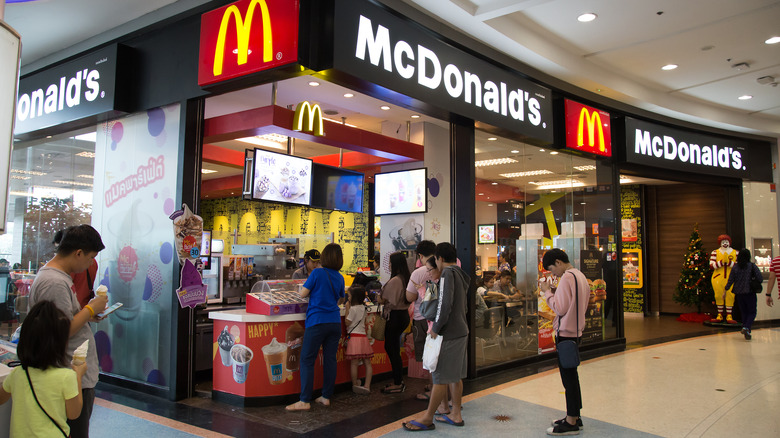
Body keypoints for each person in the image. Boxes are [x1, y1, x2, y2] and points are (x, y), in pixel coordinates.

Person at [27, 224, 107, 438]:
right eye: (90, 258)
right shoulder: (55, 282)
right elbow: (62, 330)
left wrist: (88, 314)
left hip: (73, 370)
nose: (92, 264)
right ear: (78, 253)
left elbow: (65, 318)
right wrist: (91, 308)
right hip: (70, 371)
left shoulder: (59, 278)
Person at [403, 242, 469, 431]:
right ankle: (455, 414)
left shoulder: (447, 274)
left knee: (439, 376)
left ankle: (427, 418)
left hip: (448, 332)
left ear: (439, 259)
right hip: (461, 330)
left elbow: (443, 306)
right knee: (455, 376)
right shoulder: (460, 273)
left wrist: (436, 328)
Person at [0, 300, 88, 437]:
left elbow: (0, 398)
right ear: (59, 345)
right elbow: (74, 413)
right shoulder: (66, 376)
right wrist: (78, 375)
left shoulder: (18, 373)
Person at [286, 243, 345, 411]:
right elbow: (340, 299)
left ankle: (304, 400)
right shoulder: (339, 277)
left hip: (317, 321)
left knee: (307, 359)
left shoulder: (317, 273)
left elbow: (302, 294)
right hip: (334, 322)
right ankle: (326, 397)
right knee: (330, 359)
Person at [540, 248, 589, 436]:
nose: (553, 273)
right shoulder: (579, 275)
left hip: (566, 334)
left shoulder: (567, 277)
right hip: (575, 332)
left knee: (568, 379)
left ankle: (571, 422)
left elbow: (559, 308)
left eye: (552, 269)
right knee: (572, 377)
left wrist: (547, 293)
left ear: (559, 262)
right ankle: (574, 415)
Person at [405, 240, 437, 400]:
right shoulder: (440, 269)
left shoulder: (419, 272)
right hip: (436, 318)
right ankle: (434, 387)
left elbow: (410, 296)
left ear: (421, 255)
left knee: (429, 357)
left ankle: (433, 389)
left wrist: (419, 290)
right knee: (434, 355)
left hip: (423, 318)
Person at [379, 251, 411, 394]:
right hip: (403, 316)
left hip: (395, 317)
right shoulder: (405, 278)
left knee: (392, 349)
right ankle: (398, 381)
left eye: (390, 262)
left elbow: (384, 299)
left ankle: (398, 383)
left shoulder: (395, 280)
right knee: (393, 348)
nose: (389, 265)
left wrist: (377, 296)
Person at [53, 229, 99, 309]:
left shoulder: (66, 269)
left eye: (59, 250)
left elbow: (65, 319)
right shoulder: (92, 262)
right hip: (82, 311)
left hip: (74, 312)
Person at [725, 249, 762, 340]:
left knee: (744, 312)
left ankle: (746, 329)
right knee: (752, 312)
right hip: (749, 292)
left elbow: (730, 280)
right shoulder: (752, 266)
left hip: (739, 293)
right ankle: (746, 327)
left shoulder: (735, 267)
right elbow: (760, 278)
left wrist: (725, 289)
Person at [344, 285, 373, 394]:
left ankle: (355, 384)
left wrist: (347, 309)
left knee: (354, 364)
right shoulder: (363, 308)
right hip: (363, 338)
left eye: (349, 296)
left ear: (354, 297)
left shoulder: (353, 309)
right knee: (368, 363)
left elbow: (347, 322)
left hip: (354, 338)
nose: (348, 298)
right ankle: (367, 386)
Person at [709, 234, 739, 324]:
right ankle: (720, 314)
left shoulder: (736, 252)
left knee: (730, 295)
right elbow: (711, 266)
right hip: (718, 278)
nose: (725, 243)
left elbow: (738, 266)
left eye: (726, 242)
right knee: (718, 295)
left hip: (731, 278)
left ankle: (729, 315)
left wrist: (729, 263)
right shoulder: (715, 252)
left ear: (729, 242)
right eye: (723, 242)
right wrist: (721, 262)